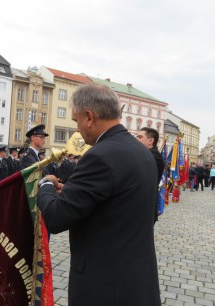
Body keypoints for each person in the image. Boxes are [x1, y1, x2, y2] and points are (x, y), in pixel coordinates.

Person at [37, 84, 160, 305]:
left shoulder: (99, 156)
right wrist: (74, 193)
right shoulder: (142, 152)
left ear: (89, 117)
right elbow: (118, 201)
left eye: (76, 122)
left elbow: (56, 217)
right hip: (137, 280)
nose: (77, 130)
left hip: (105, 285)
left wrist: (46, 184)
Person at [136, 127, 165, 222]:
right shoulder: (147, 154)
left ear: (150, 140)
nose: (136, 139)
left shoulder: (153, 157)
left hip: (145, 206)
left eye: (140, 137)